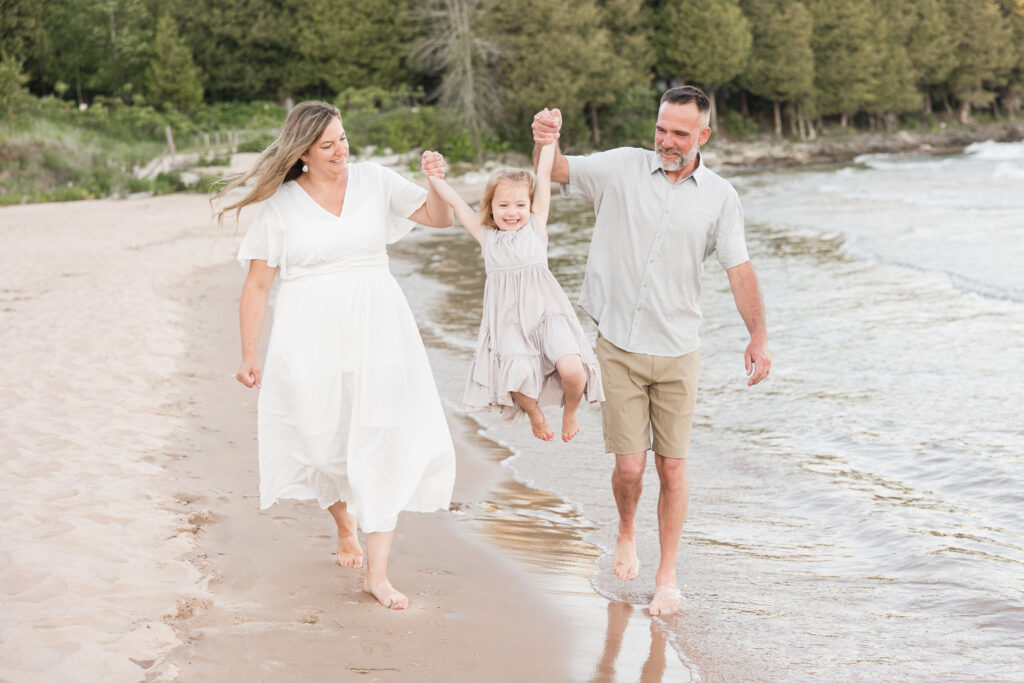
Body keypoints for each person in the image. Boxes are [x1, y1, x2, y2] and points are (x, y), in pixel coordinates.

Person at [531, 86, 771, 616]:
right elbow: (554, 170)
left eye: (679, 133)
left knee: (674, 469)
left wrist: (757, 335)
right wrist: (545, 140)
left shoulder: (721, 197)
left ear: (703, 136)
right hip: (616, 343)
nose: (666, 140)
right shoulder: (620, 168)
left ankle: (666, 577)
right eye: (661, 129)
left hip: (680, 348)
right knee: (632, 469)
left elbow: (739, 268)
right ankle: (624, 529)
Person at [215, 101, 456, 611]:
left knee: (380, 439)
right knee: (323, 439)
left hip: (380, 328)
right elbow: (258, 285)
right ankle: (344, 522)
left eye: (343, 140)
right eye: (328, 145)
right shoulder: (280, 207)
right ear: (302, 152)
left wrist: (435, 180)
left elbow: (439, 218)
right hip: (310, 334)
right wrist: (247, 353)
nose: (340, 151)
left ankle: (378, 574)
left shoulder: (375, 181)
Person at [419, 133, 603, 442]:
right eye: (503, 205)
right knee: (514, 381)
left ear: (531, 206)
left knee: (573, 369)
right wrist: (433, 175)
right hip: (508, 322)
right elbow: (454, 201)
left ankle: (571, 409)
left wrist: (549, 139)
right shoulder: (486, 236)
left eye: (520, 204)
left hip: (547, 314)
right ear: (489, 207)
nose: (512, 211)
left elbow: (543, 175)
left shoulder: (535, 225)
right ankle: (534, 413)